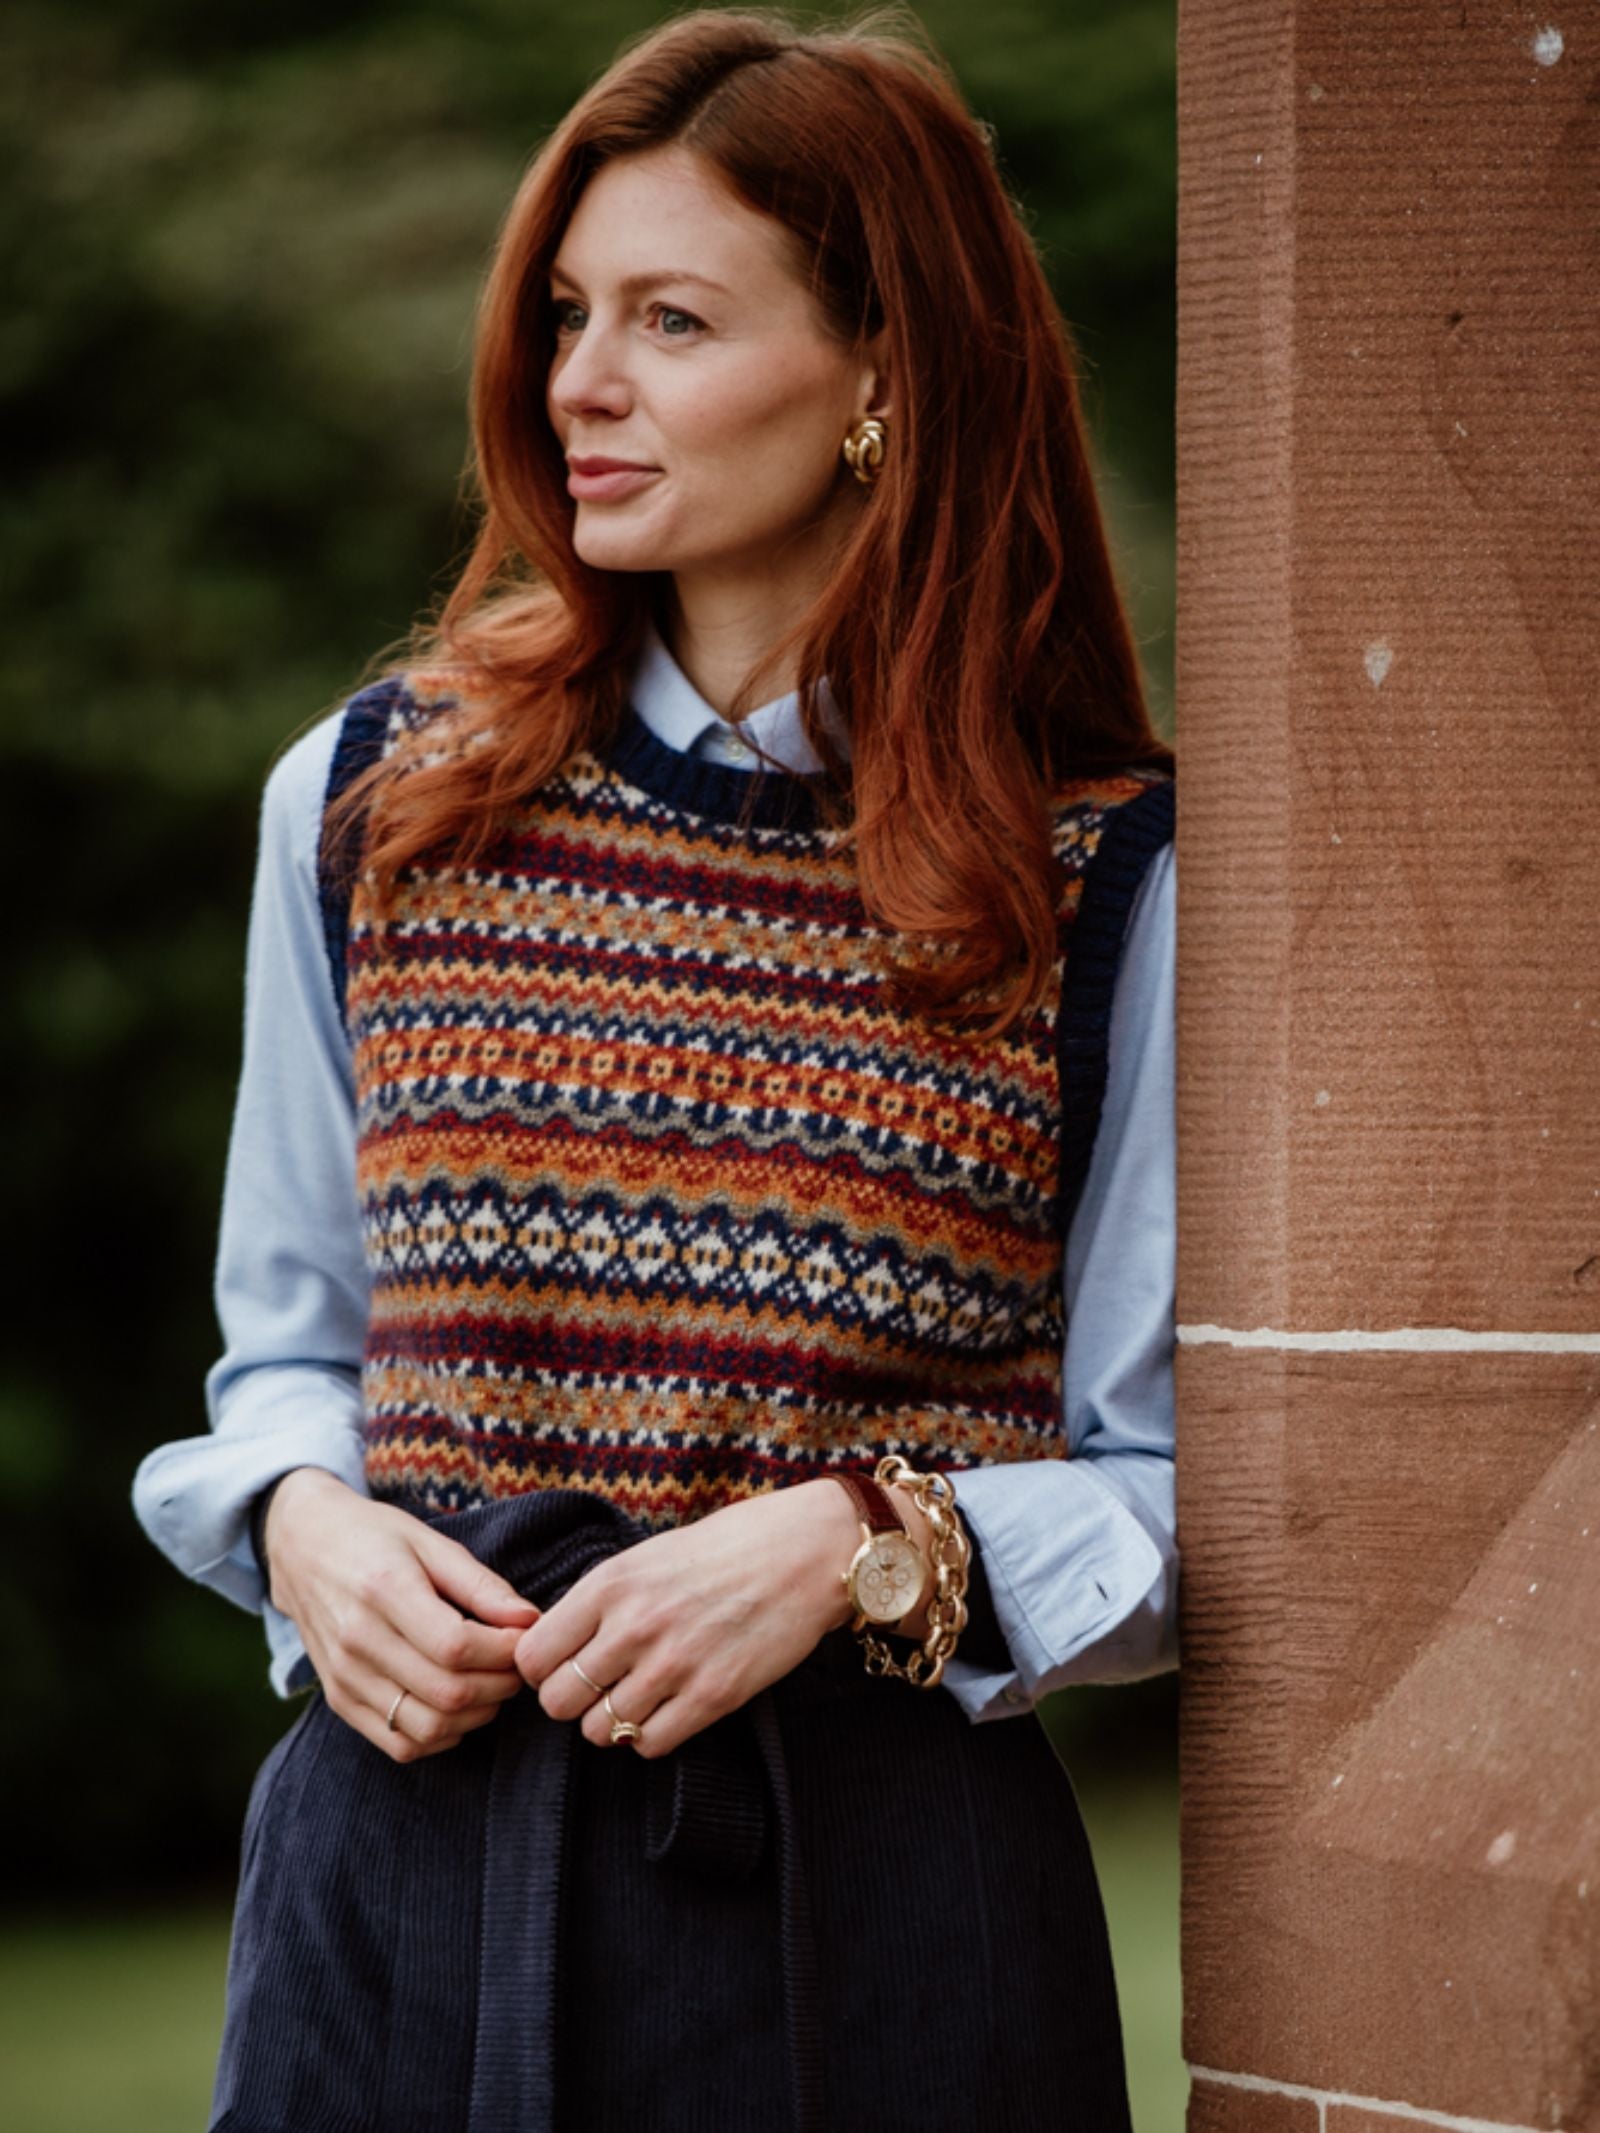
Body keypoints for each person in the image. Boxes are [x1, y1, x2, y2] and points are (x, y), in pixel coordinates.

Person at [133, 9, 1178, 2129]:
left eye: (671, 319)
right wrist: (310, 1528)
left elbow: (1179, 1495)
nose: (576, 382)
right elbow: (285, 1352)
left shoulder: (1103, 880)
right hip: (393, 1873)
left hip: (866, 1922)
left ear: (884, 371)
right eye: (565, 314)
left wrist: (853, 1543)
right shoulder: (366, 804)